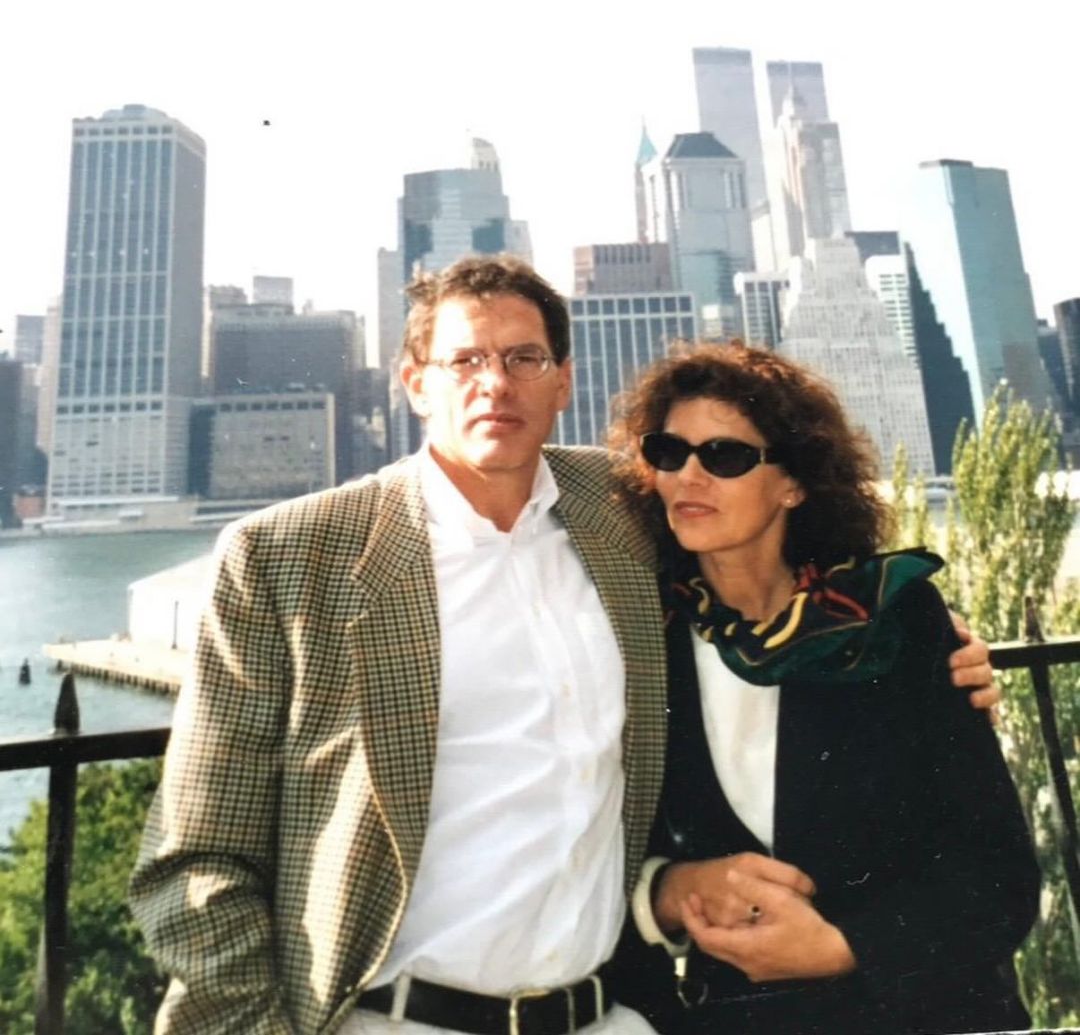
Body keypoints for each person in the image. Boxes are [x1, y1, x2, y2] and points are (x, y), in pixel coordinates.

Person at [130, 257, 999, 1035]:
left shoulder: (626, 513)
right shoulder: (288, 557)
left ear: (562, 382)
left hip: (608, 1013)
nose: (494, 383)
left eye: (524, 358)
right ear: (414, 383)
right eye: (465, 360)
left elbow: (770, 552)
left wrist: (930, 641)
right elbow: (196, 857)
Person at [608, 342, 1039, 1035]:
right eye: (668, 451)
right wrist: (664, 890)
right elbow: (604, 855)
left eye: (724, 455)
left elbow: (999, 876)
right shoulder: (639, 640)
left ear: (794, 484)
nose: (688, 474)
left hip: (929, 1018)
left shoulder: (889, 619)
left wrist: (845, 949)